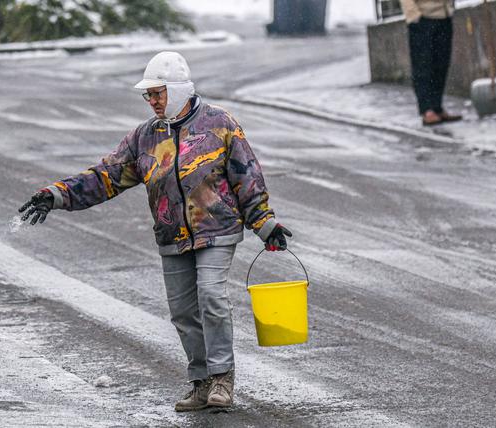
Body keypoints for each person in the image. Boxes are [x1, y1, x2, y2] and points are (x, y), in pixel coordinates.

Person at [18, 51, 293, 412]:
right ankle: (201, 382)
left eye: (158, 93)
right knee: (182, 312)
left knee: (211, 297)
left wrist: (265, 223)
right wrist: (56, 194)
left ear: (178, 90)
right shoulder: (145, 137)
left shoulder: (220, 124)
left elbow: (247, 177)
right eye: (148, 95)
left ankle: (222, 377)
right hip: (172, 236)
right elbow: (106, 176)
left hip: (217, 229)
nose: (152, 101)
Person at [401, 0, 463, 126]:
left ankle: (436, 107)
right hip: (423, 18)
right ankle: (426, 109)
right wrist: (414, 15)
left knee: (441, 65)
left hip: (444, 15)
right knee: (423, 66)